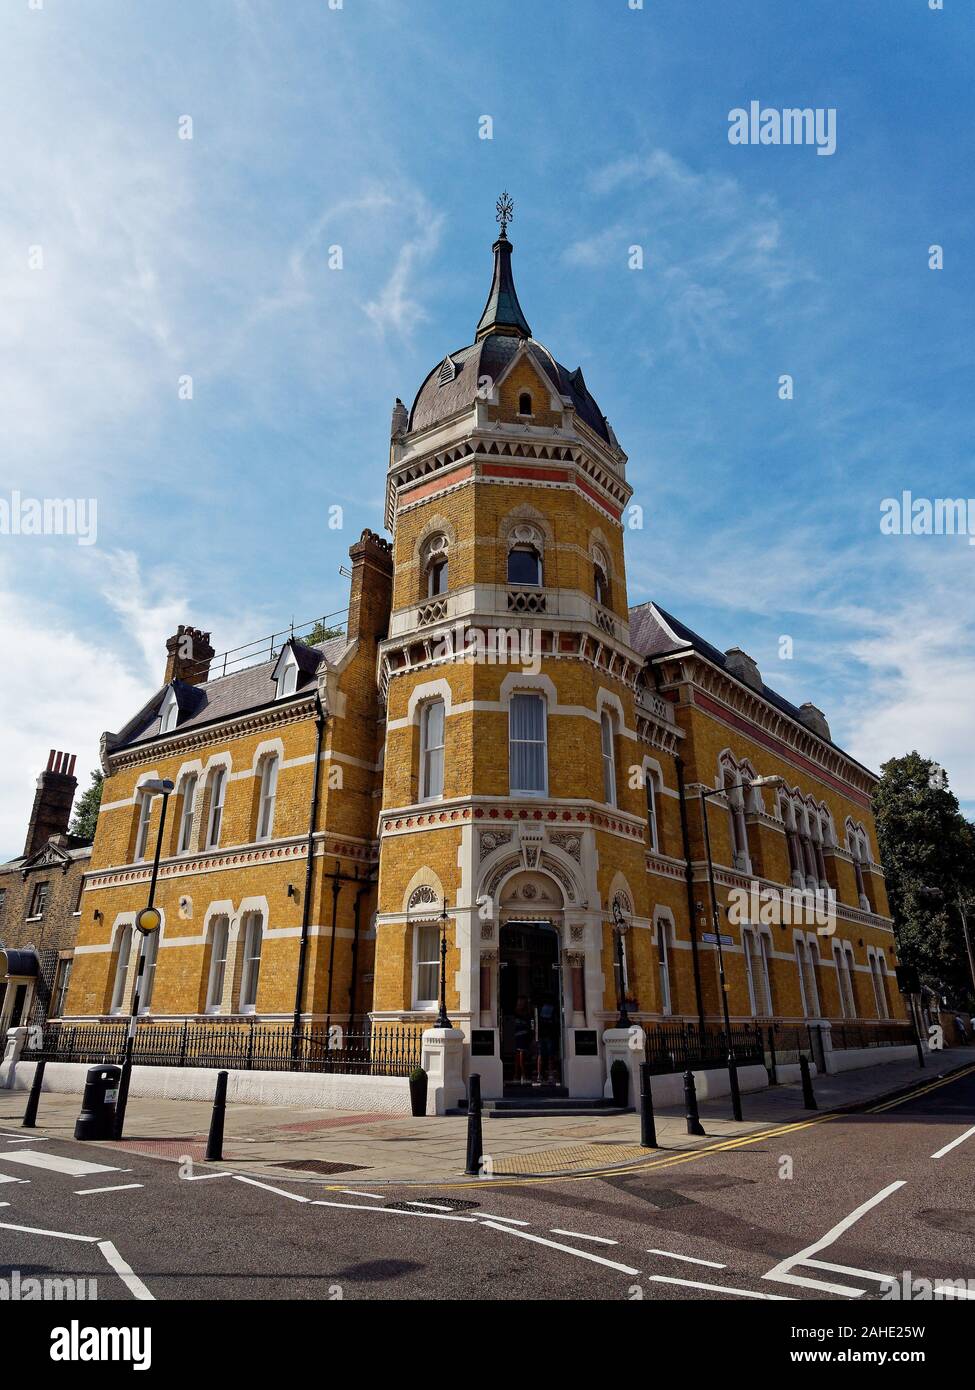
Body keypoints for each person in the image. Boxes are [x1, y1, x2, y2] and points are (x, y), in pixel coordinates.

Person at [535, 995, 558, 1085]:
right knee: (549, 1055)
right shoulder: (552, 1009)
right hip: (548, 1035)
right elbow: (555, 1022)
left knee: (542, 1055)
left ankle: (540, 1075)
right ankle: (549, 1075)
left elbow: (537, 1022)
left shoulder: (540, 1009)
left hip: (543, 1035)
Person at [512, 997, 532, 1083]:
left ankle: (518, 1074)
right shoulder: (519, 1013)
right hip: (519, 1036)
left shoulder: (525, 1013)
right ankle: (521, 1074)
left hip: (522, 1036)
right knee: (520, 1056)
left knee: (520, 1056)